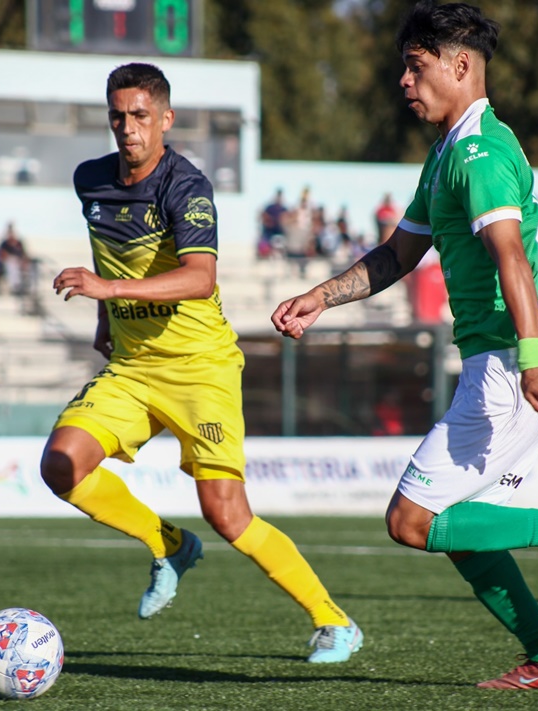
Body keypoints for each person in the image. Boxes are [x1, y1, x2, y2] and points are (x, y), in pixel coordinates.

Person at [271, 2, 538, 690]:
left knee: (411, 520)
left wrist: (532, 359)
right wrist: (322, 296)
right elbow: (398, 255)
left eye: (416, 65)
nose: (404, 80)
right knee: (453, 523)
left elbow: (511, 256)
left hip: (509, 371)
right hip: (499, 367)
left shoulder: (480, 153)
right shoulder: (448, 154)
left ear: (460, 65)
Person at [40, 62, 363, 664]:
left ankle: (334, 620)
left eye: (140, 116)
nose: (128, 128)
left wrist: (107, 292)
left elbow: (199, 278)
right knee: (61, 465)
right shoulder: (91, 179)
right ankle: (168, 544)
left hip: (200, 367)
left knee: (227, 513)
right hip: (133, 367)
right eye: (118, 116)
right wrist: (105, 318)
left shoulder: (186, 185)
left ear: (165, 119)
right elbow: (110, 254)